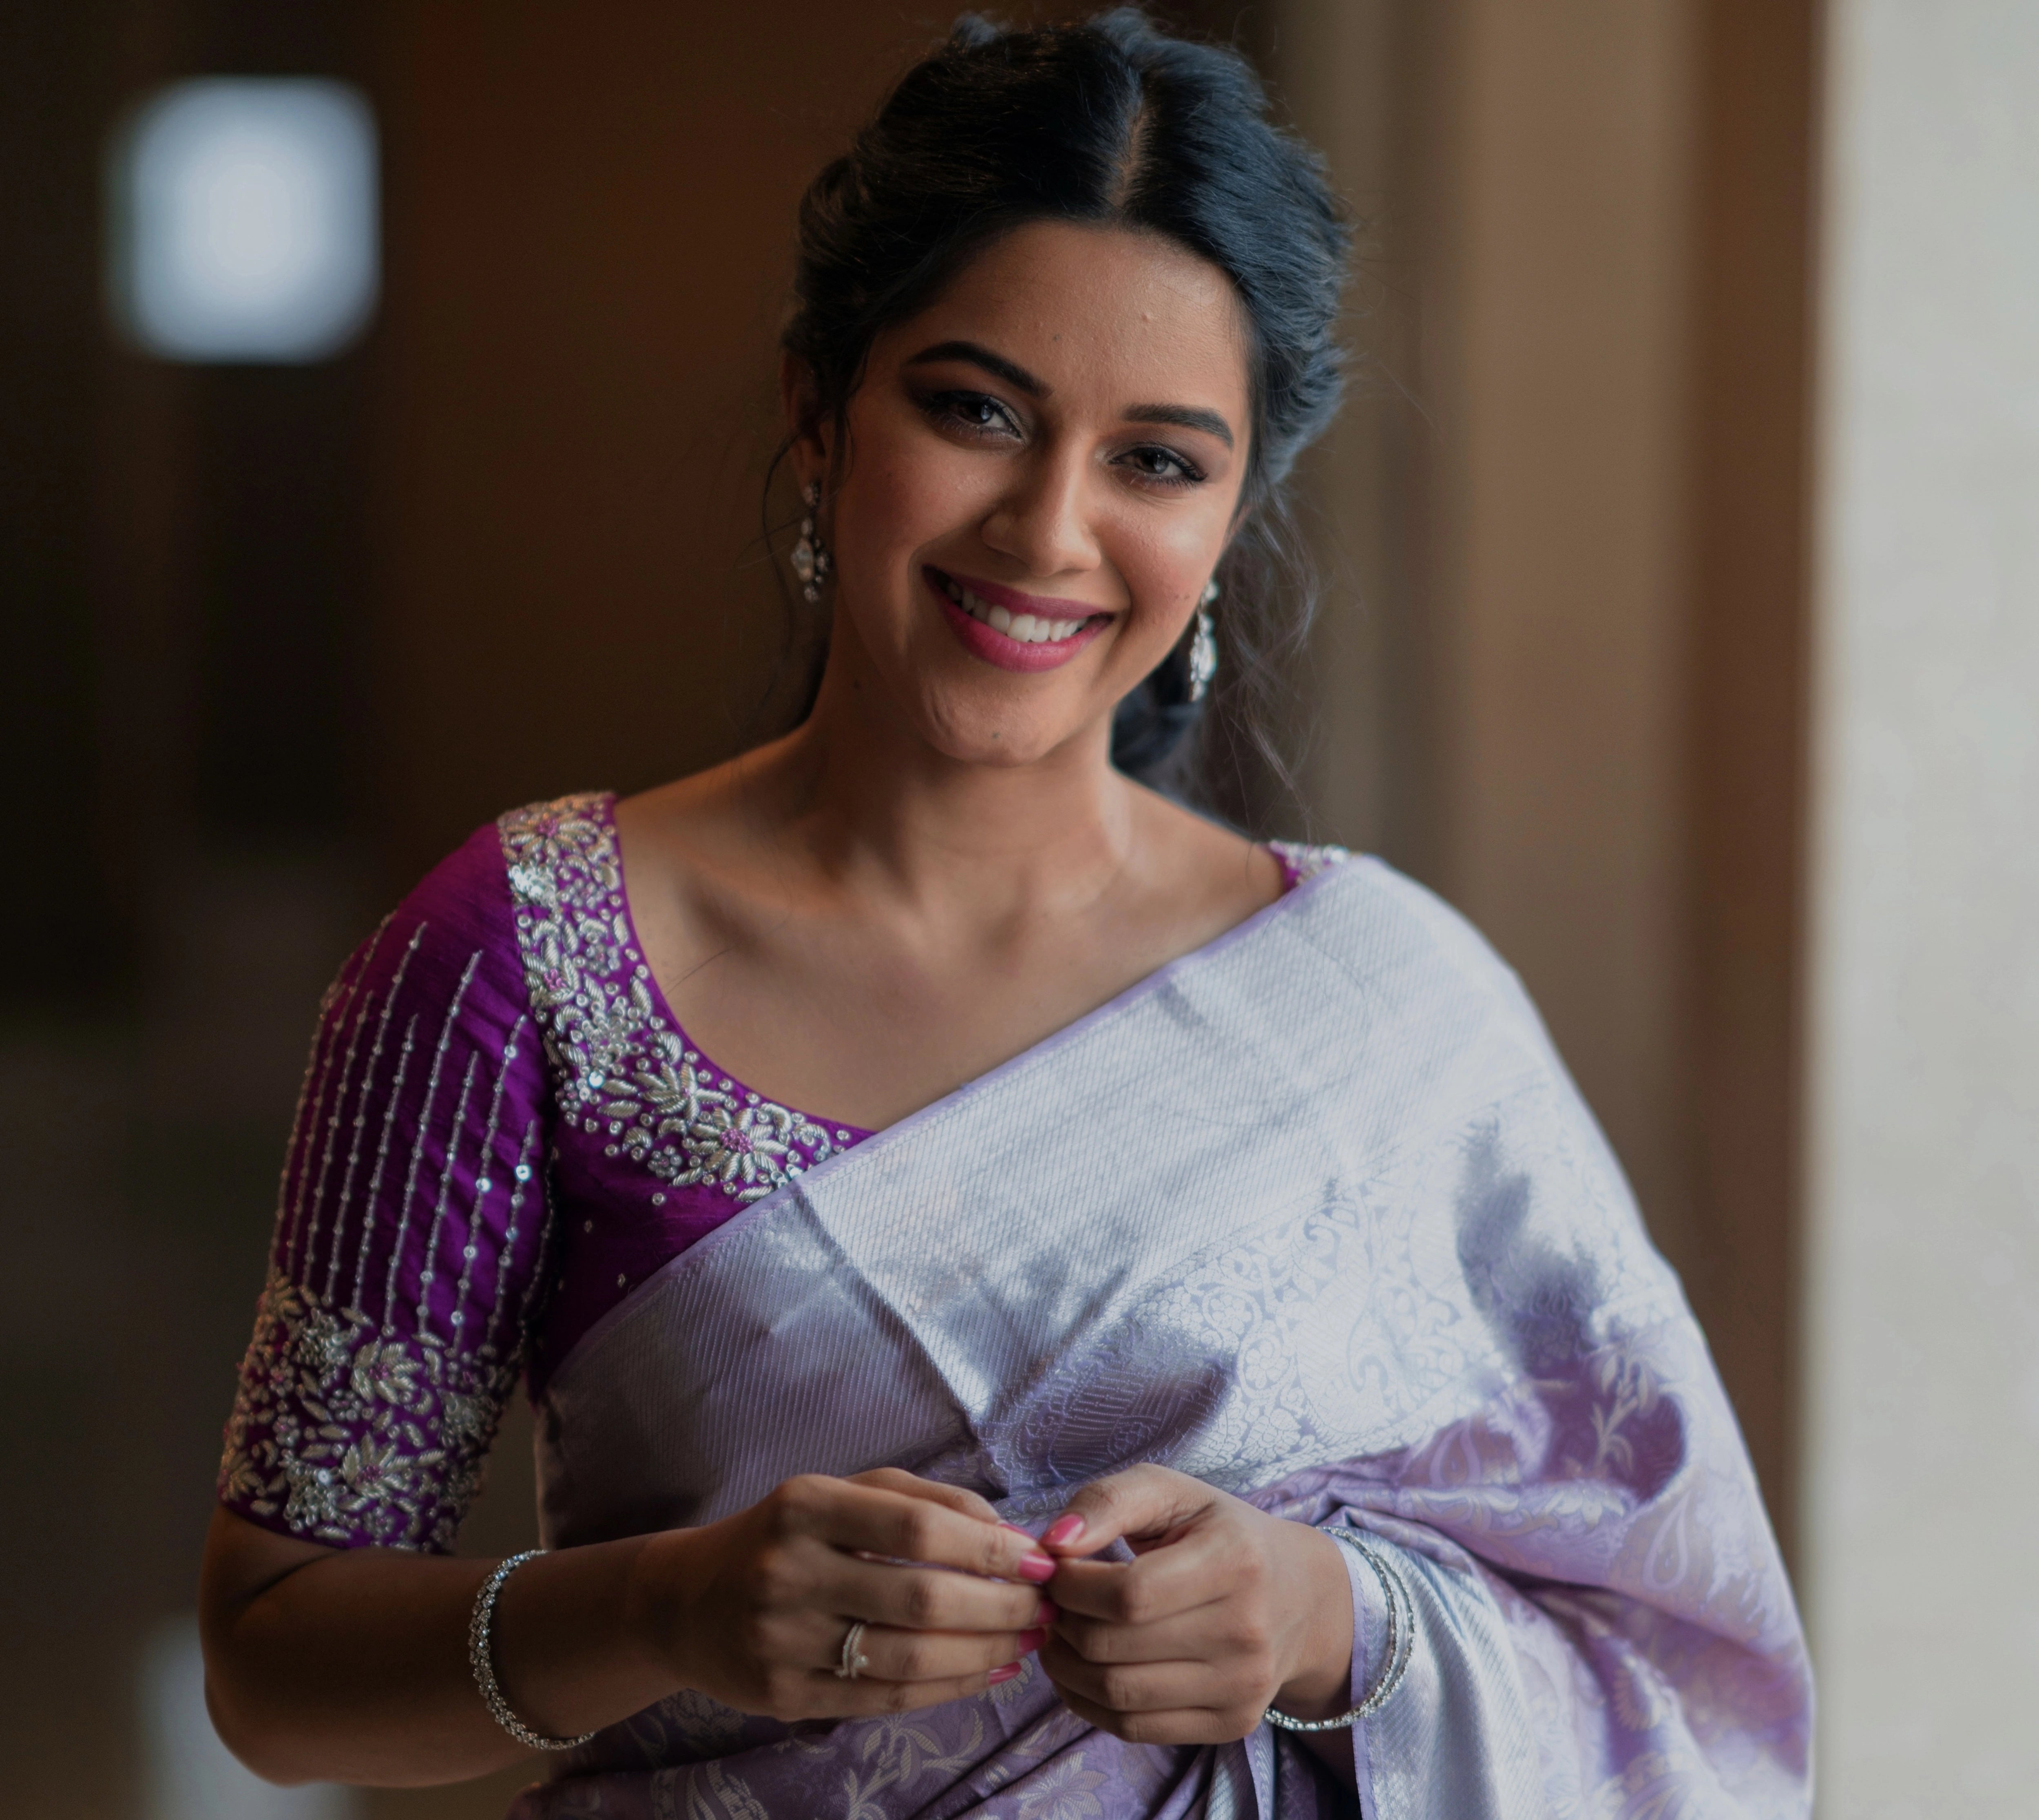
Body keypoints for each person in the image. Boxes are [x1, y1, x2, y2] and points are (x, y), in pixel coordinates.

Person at [199, 13, 1812, 1817]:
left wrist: (1321, 1615)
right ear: (821, 413)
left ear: (1232, 515)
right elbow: (278, 1669)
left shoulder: (1384, 1005)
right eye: (973, 411)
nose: (1048, 531)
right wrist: (664, 1606)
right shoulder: (516, 966)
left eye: (1157, 461)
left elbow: (1680, 1667)